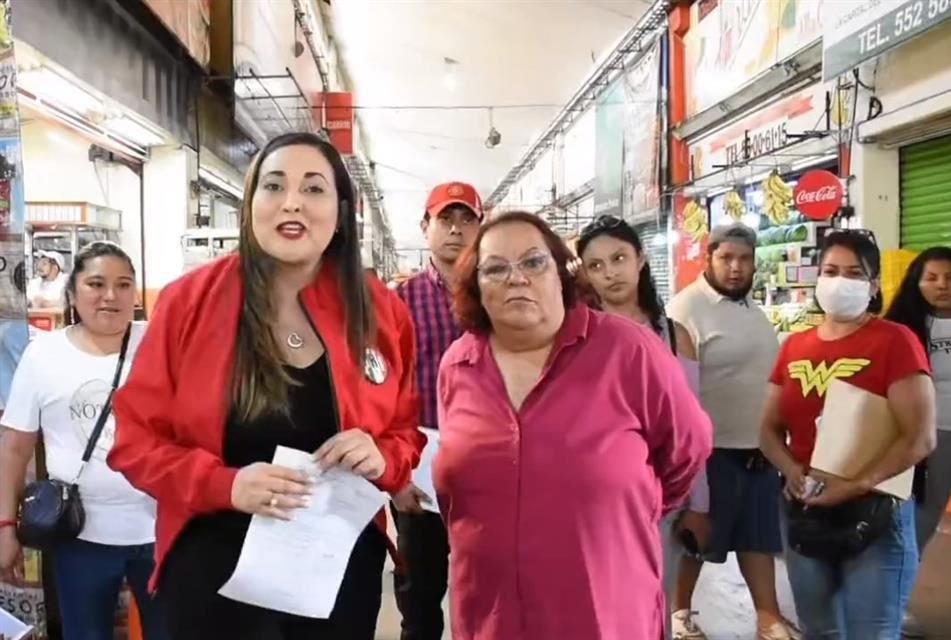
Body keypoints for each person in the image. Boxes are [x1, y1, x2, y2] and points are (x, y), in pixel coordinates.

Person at [106, 132, 424, 640]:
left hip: (335, 570)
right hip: (214, 571)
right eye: (274, 186)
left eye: (314, 189)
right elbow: (134, 443)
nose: (292, 201)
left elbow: (406, 431)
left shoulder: (381, 313)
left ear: (342, 212)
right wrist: (225, 484)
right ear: (250, 203)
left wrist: (383, 456)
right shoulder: (188, 303)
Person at [434, 210, 712, 639]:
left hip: (603, 611)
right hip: (491, 615)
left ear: (561, 273)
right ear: (476, 288)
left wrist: (626, 510)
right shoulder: (458, 365)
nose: (516, 278)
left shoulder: (629, 351)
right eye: (495, 269)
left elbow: (687, 450)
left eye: (533, 262)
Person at [759, 229, 936, 639]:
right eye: (831, 270)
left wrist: (855, 485)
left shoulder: (895, 341)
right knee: (819, 631)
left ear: (873, 285)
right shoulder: (795, 346)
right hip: (805, 510)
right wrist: (790, 470)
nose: (840, 281)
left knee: (870, 632)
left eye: (855, 273)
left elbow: (920, 438)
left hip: (874, 515)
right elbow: (768, 429)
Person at [0, 241, 166, 640]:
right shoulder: (43, 355)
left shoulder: (161, 344)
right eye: (96, 283)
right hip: (80, 536)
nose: (111, 295)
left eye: (124, 284)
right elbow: (14, 447)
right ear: (72, 293)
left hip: (164, 533)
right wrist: (5, 526)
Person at [575, 214, 709, 640]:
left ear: (641, 259)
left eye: (618, 258)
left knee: (652, 606)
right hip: (592, 499)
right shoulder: (573, 337)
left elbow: (694, 424)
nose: (610, 272)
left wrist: (700, 502)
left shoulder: (673, 336)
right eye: (596, 265)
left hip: (663, 499)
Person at [666, 223, 797, 640]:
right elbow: (679, 391)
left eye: (744, 259)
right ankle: (679, 612)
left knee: (758, 539)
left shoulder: (750, 310)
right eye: (726, 258)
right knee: (697, 538)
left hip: (758, 449)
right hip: (713, 452)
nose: (736, 268)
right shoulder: (686, 311)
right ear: (709, 258)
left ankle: (767, 616)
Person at [391, 181, 482, 640]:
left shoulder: (497, 292)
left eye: (468, 220)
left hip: (487, 462)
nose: (456, 230)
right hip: (420, 461)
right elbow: (380, 390)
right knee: (420, 589)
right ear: (425, 227)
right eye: (446, 219)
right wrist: (394, 473)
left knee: (487, 588)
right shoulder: (399, 302)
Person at [886, 246, 951, 638]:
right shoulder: (904, 329)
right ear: (917, 282)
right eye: (932, 277)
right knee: (918, 528)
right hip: (932, 440)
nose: (943, 285)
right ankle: (893, 610)